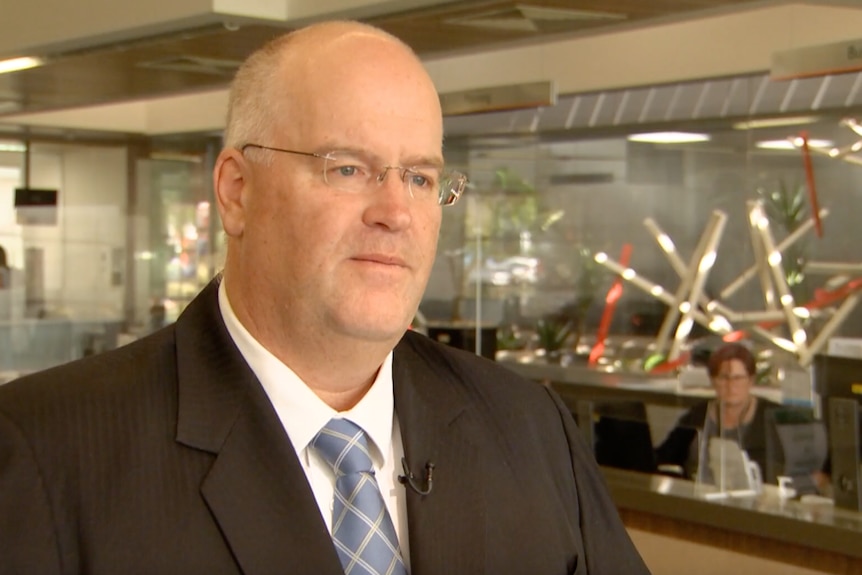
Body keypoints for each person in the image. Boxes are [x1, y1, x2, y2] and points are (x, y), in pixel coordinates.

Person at [0, 21, 649, 575]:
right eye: (346, 168)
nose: (395, 210)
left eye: (421, 177)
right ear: (236, 191)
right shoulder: (48, 451)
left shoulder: (528, 430)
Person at [655, 342, 779, 484]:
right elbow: (664, 457)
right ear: (713, 381)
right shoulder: (698, 414)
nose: (731, 385)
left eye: (738, 378)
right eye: (724, 377)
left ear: (751, 380)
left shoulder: (772, 416)